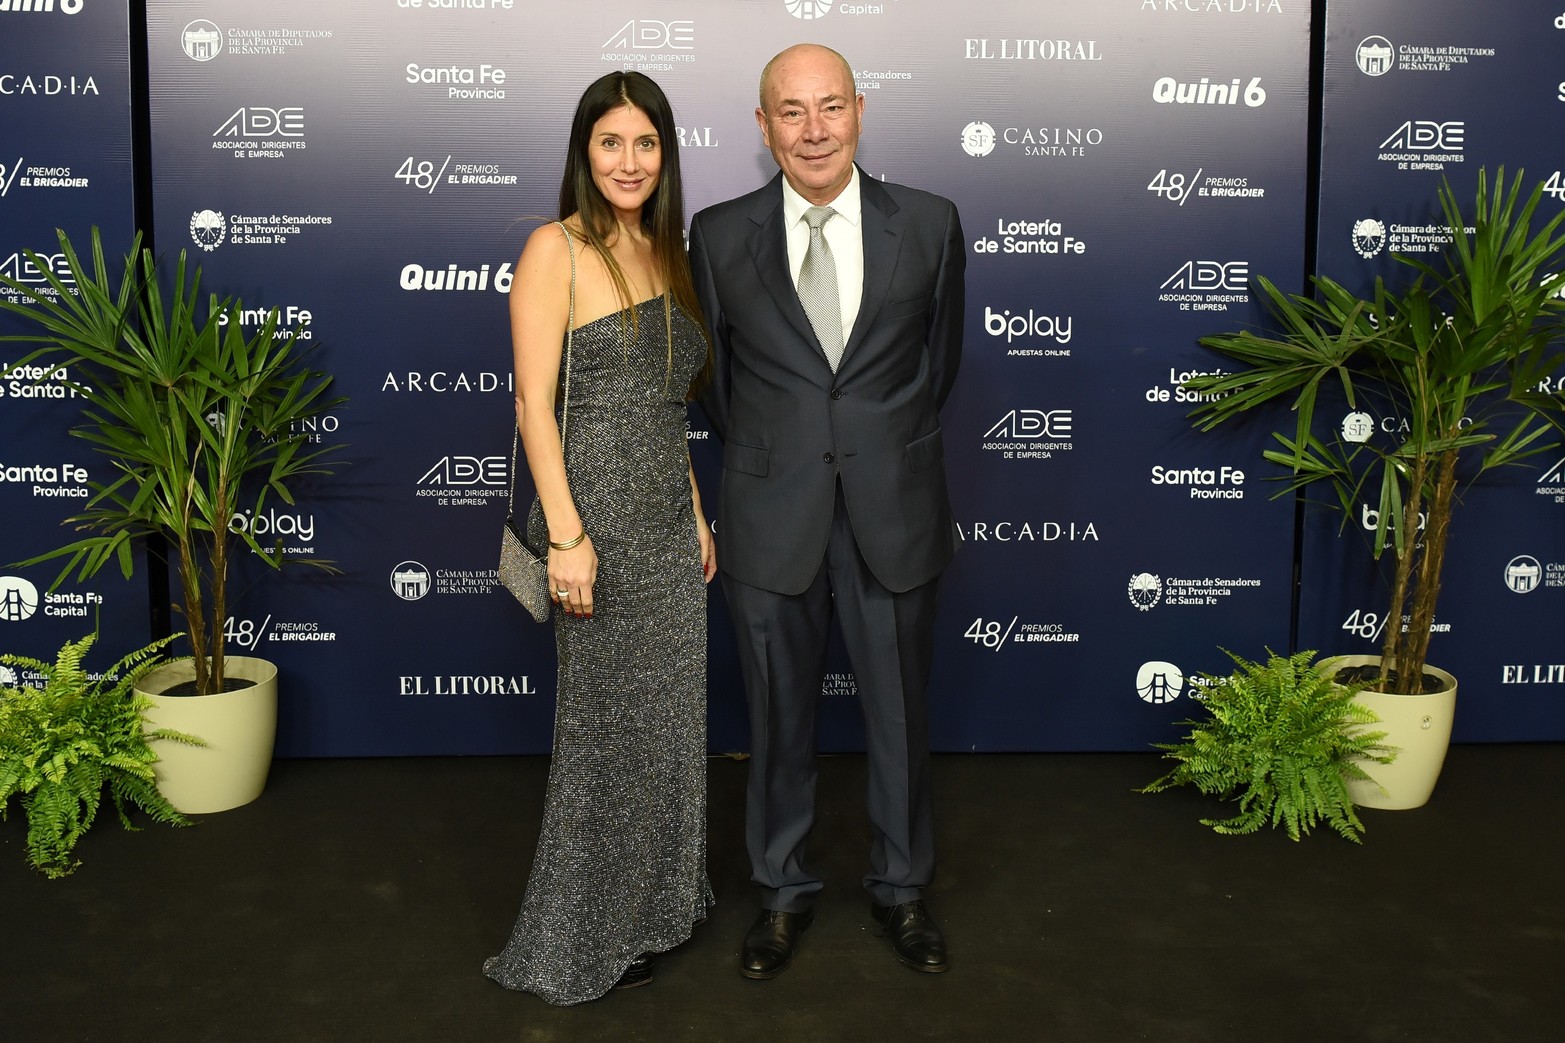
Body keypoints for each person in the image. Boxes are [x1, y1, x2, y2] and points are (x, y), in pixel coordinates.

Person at [688, 43, 965, 979]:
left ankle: (902, 888)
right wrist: (782, 452)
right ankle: (781, 891)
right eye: (790, 111)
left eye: (829, 107)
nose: (813, 130)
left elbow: (939, 367)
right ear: (762, 126)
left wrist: (873, 450)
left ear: (860, 109)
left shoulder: (928, 223)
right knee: (774, 720)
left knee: (898, 715)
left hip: (895, 508)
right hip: (773, 512)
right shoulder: (718, 235)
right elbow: (714, 386)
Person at [483, 70, 716, 1006]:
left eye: (646, 143)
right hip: (597, 525)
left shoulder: (667, 248)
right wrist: (568, 538)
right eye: (611, 142)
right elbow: (534, 407)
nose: (629, 161)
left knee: (664, 731)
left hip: (664, 521)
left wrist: (696, 507)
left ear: (665, 154)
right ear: (585, 151)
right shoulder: (557, 249)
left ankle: (654, 909)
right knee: (602, 734)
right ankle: (578, 936)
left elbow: (667, 406)